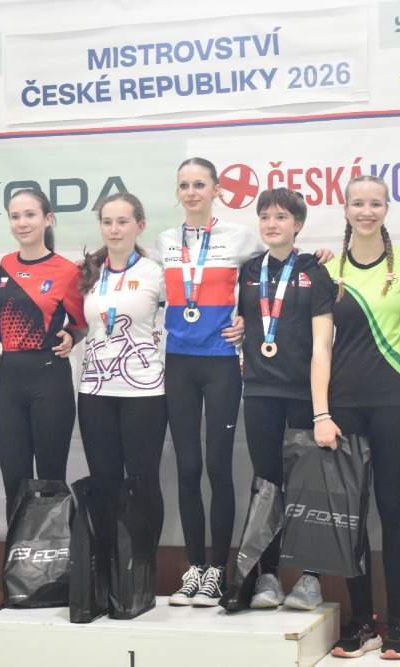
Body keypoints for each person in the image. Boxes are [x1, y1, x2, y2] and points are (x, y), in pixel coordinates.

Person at [311, 175, 400, 659]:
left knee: (395, 512)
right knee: (351, 519)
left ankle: (398, 624)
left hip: (397, 404)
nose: (367, 211)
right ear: (344, 209)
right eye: (358, 203)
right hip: (343, 408)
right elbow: (321, 348)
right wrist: (321, 413)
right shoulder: (328, 270)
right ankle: (363, 623)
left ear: (386, 208)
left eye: (375, 203)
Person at [150, 157, 263, 607]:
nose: (191, 192)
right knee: (187, 467)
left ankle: (219, 570)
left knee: (218, 466)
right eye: (184, 185)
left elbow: (269, 280)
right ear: (177, 192)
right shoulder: (164, 241)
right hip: (178, 361)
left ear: (216, 190)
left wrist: (248, 320)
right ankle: (194, 568)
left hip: (221, 362)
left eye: (200, 184)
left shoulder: (240, 237)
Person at [236, 188, 330, 610]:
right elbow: (239, 320)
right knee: (267, 484)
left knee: (309, 486)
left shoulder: (315, 269)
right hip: (259, 390)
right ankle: (268, 575)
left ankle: (311, 578)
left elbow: (323, 341)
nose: (272, 224)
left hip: (304, 393)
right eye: (265, 216)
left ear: (298, 224)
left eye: (281, 217)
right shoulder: (248, 271)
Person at [77, 193, 167, 543]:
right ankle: (107, 566)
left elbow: (188, 316)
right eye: (107, 222)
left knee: (143, 482)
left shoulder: (156, 273)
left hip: (143, 392)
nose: (114, 229)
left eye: (122, 222)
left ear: (139, 226)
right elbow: (76, 323)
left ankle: (142, 567)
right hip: (94, 391)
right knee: (103, 484)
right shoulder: (88, 273)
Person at [0, 188, 87, 519]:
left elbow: (82, 323)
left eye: (30, 215)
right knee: (14, 485)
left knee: (50, 483)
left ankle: (53, 554)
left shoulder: (67, 270)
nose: (22, 223)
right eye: (15, 216)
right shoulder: (5, 265)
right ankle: (18, 555)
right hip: (8, 385)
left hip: (50, 382)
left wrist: (71, 337)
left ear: (47, 219)